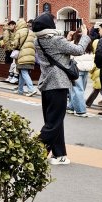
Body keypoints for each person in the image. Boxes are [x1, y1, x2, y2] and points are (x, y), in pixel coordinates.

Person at [33, 13, 92, 165]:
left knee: (54, 121)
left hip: (46, 84)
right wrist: (85, 35)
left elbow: (57, 52)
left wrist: (67, 39)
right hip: (58, 84)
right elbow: (79, 50)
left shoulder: (38, 41)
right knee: (54, 123)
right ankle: (33, 151)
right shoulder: (56, 40)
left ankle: (59, 155)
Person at [67, 31, 93, 118]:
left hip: (76, 69)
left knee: (77, 89)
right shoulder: (89, 45)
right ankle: (72, 107)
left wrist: (68, 39)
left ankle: (79, 110)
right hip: (86, 69)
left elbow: (66, 53)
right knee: (79, 89)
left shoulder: (73, 44)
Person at [13, 18, 38, 96]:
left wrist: (13, 46)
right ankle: (20, 90)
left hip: (23, 55)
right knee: (22, 72)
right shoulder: (32, 32)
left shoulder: (19, 32)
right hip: (31, 55)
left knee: (24, 72)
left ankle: (31, 89)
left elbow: (15, 44)